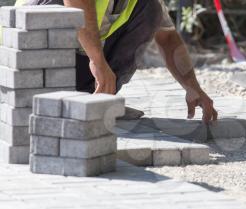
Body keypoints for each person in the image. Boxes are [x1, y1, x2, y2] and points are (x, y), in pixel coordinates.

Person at [18, 0, 218, 123]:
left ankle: (97, 99)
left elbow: (167, 38)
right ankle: (39, 100)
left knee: (151, 10)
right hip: (27, 65)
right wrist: (97, 60)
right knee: (57, 7)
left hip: (79, 68)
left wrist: (193, 88)